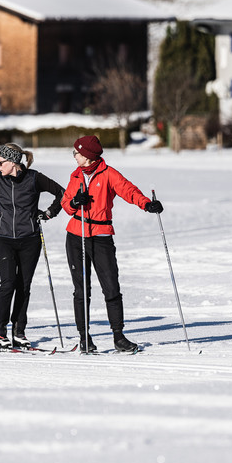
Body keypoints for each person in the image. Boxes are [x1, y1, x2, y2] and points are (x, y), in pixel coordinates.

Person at [61, 135, 163, 353]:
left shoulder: (108, 174)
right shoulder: (76, 175)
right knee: (81, 290)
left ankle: (118, 336)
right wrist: (73, 202)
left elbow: (128, 190)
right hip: (76, 235)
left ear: (88, 156)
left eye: (77, 153)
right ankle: (84, 338)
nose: (74, 156)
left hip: (101, 235)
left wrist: (147, 204)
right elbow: (66, 204)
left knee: (111, 287)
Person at [0, 143, 64, 347]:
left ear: (13, 162)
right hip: (5, 239)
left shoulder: (34, 178)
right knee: (8, 284)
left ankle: (19, 331)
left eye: (1, 162)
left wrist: (50, 212)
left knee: (24, 286)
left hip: (30, 239)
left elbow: (61, 193)